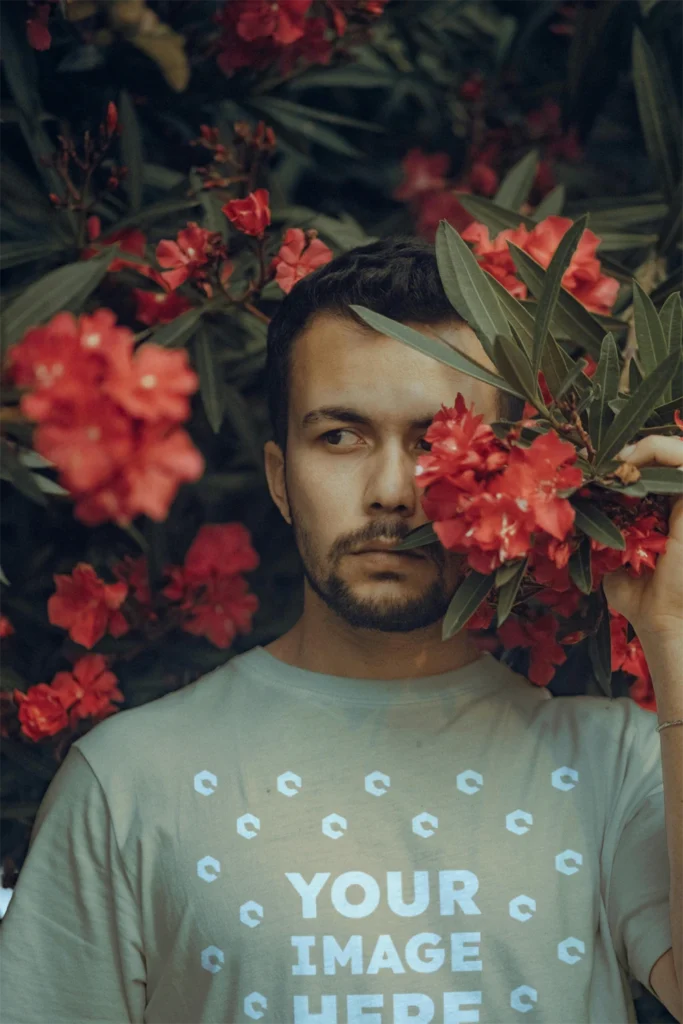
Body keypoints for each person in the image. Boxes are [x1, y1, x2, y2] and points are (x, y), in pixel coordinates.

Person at [0, 237, 676, 1023]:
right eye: (339, 437)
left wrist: (674, 630)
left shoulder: (616, 767)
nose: (391, 492)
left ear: (512, 473)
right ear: (280, 479)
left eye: (435, 441)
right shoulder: (127, 783)